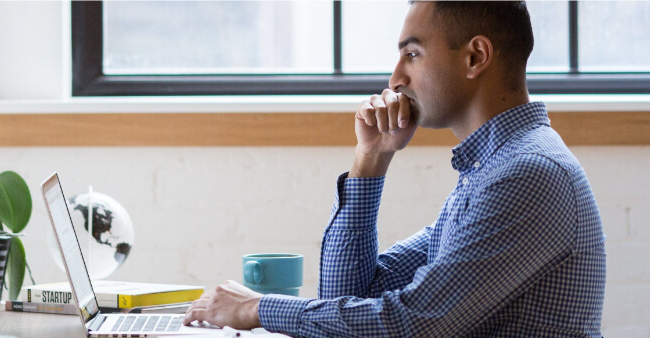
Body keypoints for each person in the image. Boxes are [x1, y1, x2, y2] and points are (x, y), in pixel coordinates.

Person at [184, 1, 606, 336]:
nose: (395, 79)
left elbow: (411, 323)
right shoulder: (491, 170)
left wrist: (256, 308)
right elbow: (348, 296)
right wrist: (371, 159)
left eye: (412, 54)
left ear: (475, 56)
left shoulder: (527, 175)